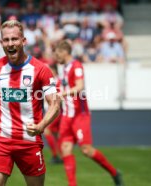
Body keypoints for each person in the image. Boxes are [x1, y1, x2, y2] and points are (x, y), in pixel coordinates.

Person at [0, 20, 60, 186]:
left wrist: (41, 125)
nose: (10, 43)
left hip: (29, 139)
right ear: (1, 43)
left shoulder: (41, 69)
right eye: (6, 40)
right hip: (2, 138)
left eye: (14, 39)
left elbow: (55, 104)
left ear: (23, 41)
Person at [54, 40, 124, 186]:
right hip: (67, 116)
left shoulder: (76, 66)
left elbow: (79, 87)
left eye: (57, 53)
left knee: (86, 150)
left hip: (80, 115)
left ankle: (114, 173)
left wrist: (63, 94)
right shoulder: (64, 70)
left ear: (65, 52)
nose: (56, 56)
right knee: (65, 148)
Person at [43, 64, 62, 164]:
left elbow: (59, 96)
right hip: (53, 109)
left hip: (55, 110)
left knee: (47, 131)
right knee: (55, 134)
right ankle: (61, 155)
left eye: (51, 70)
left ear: (54, 71)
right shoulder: (52, 81)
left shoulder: (57, 81)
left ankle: (55, 155)